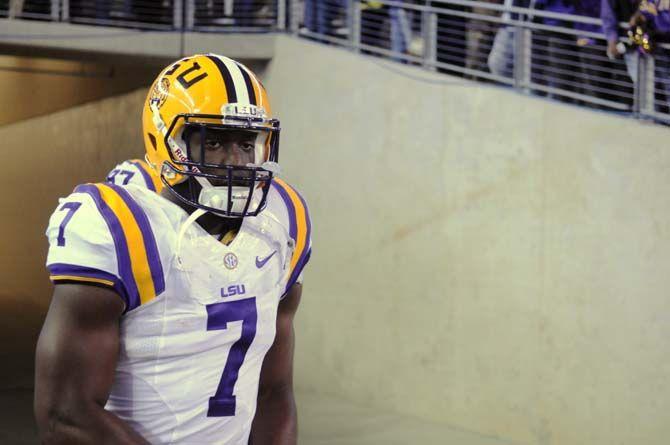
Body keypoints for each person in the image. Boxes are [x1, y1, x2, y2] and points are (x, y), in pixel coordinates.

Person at [34, 53, 312, 445]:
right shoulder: (126, 231)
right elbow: (65, 415)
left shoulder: (283, 221)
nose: (235, 161)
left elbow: (274, 389)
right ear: (165, 141)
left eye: (246, 142)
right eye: (213, 142)